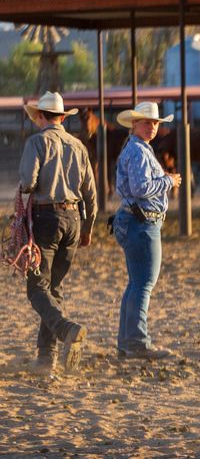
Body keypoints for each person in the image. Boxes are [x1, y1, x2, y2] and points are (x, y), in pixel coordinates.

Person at [19, 91, 97, 374]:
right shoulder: (78, 146)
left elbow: (28, 183)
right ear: (63, 117)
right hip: (74, 219)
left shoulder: (36, 142)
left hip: (46, 217)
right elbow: (91, 193)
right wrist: (88, 228)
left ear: (40, 116)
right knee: (53, 288)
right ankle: (46, 358)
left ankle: (65, 330)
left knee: (36, 288)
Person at [112, 102, 182, 360]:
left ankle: (127, 341)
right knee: (144, 284)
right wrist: (169, 181)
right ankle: (137, 342)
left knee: (136, 283)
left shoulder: (135, 148)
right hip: (142, 223)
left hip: (134, 221)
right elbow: (142, 188)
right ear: (135, 124)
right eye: (147, 122)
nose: (152, 127)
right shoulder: (140, 151)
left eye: (155, 123)